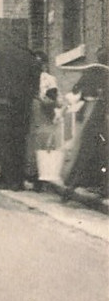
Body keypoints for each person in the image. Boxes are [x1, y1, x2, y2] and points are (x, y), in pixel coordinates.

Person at [0, 34, 39, 190]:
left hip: (3, 103)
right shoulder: (31, 58)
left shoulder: (1, 54)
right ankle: (18, 181)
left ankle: (6, 179)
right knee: (19, 141)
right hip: (23, 106)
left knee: (4, 141)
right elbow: (35, 84)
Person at [63, 48, 108, 196]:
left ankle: (76, 182)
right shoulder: (102, 72)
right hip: (99, 112)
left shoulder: (91, 71)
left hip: (91, 111)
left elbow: (77, 91)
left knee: (87, 147)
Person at [25, 52, 63, 191]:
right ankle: (31, 175)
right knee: (31, 144)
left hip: (44, 115)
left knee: (43, 144)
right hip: (32, 114)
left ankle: (41, 179)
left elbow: (53, 100)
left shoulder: (49, 79)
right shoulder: (28, 79)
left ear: (44, 64)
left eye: (40, 63)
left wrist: (41, 98)